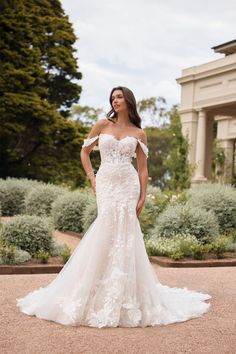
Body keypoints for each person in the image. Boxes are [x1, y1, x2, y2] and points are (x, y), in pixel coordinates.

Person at [16, 86, 212, 328]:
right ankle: (93, 288)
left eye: (119, 97)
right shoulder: (102, 125)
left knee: (126, 234)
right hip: (106, 183)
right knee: (106, 228)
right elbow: (85, 151)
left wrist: (142, 196)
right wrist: (92, 177)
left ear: (128, 100)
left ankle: (126, 295)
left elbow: (142, 168)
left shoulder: (139, 133)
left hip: (128, 186)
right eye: (112, 97)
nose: (115, 100)